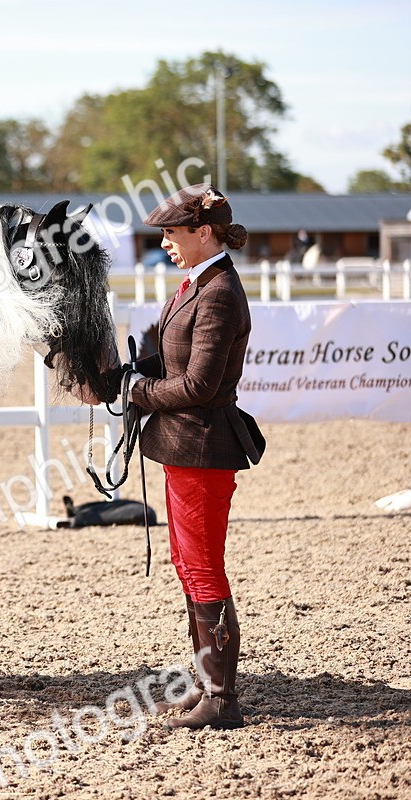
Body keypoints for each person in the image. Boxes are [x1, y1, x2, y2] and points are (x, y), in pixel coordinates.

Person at [127, 184, 265, 730]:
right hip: (182, 445)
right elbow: (170, 358)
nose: (164, 243)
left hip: (204, 444)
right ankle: (206, 683)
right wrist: (132, 370)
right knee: (188, 565)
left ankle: (222, 698)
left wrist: (138, 393)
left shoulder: (220, 292)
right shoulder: (196, 283)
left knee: (204, 568)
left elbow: (201, 385)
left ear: (202, 233)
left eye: (171, 233)